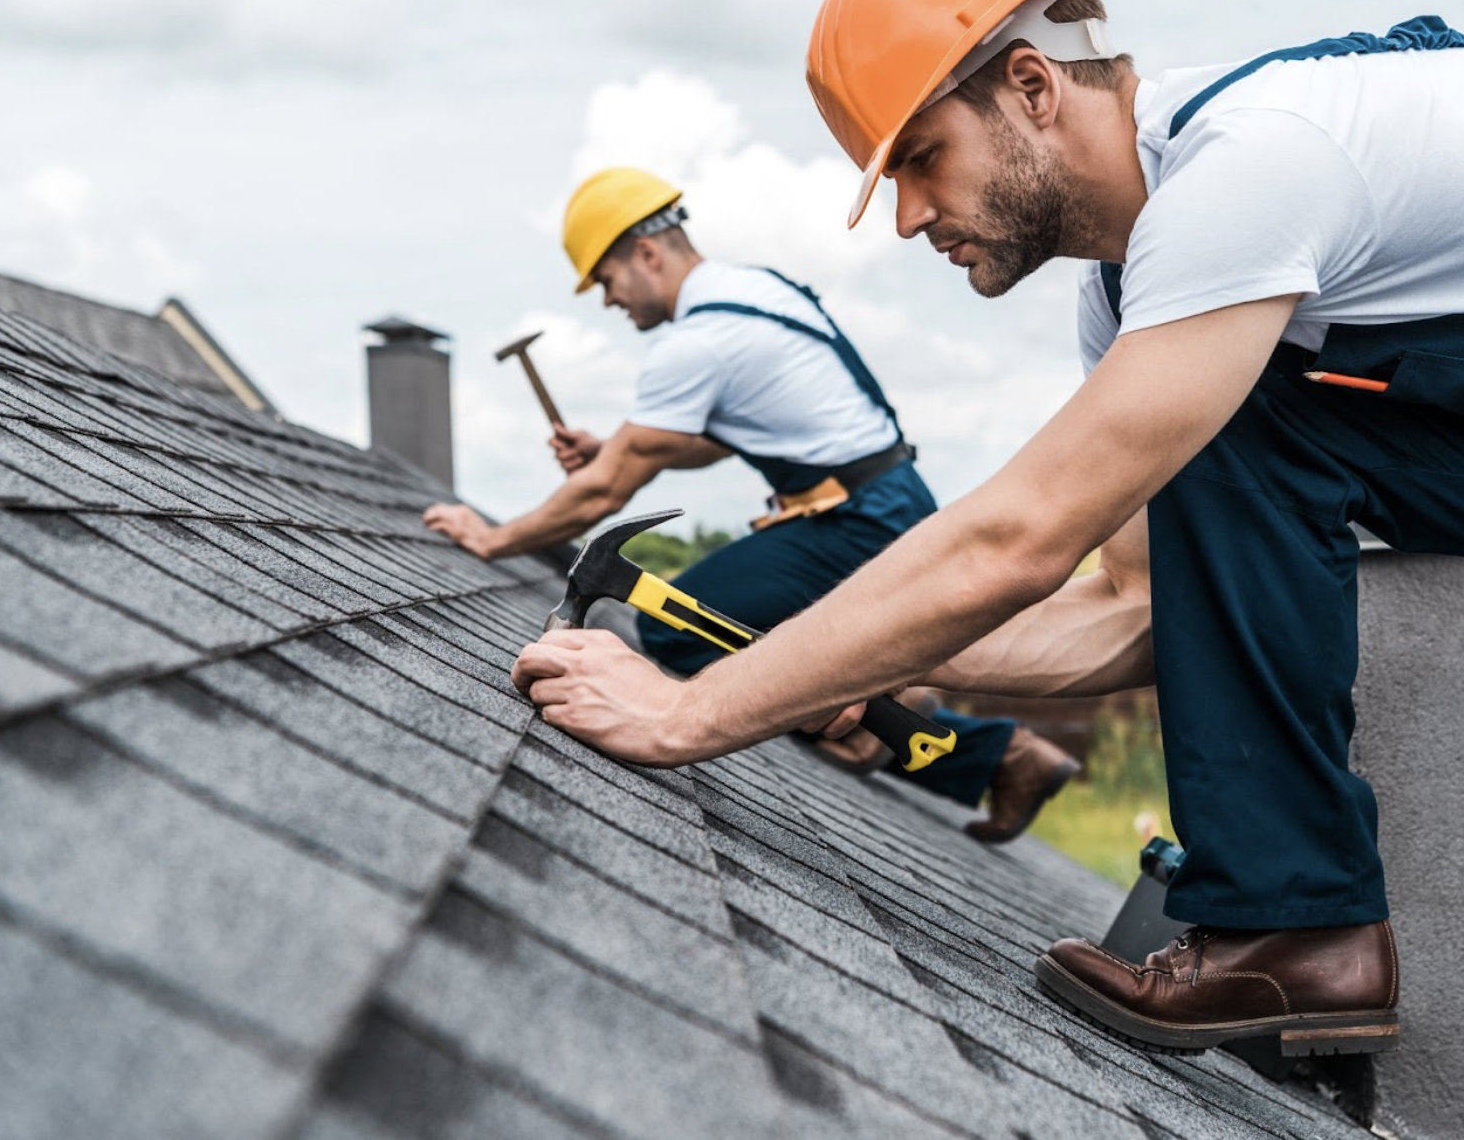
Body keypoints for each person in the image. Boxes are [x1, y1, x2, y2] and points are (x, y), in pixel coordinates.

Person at [509, 0, 1464, 1058]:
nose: (907, 219)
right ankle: (1296, 926)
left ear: (1033, 88)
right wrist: (858, 666)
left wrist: (695, 710)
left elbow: (1018, 540)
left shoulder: (1250, 172)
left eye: (922, 158)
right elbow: (1135, 609)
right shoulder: (1145, 302)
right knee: (1239, 424)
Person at [424, 165, 1081, 842]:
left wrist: (493, 537)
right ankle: (952, 736)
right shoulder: (754, 292)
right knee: (768, 644)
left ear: (646, 253)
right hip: (881, 502)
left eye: (607, 281)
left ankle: (915, 727)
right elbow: (708, 442)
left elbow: (605, 491)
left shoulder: (698, 340)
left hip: (854, 521)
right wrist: (614, 447)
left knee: (673, 630)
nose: (609, 302)